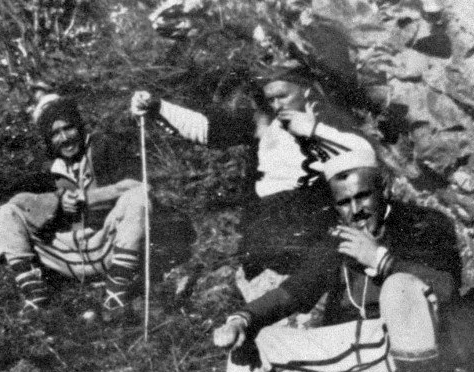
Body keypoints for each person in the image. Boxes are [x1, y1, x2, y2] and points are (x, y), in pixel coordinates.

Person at [168, 146, 462, 372]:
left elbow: (446, 290)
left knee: (400, 286)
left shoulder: (424, 224)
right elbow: (295, 291)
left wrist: (382, 261)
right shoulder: (337, 241)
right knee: (255, 339)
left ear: (384, 189)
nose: (356, 210)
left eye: (364, 195)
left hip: (407, 353)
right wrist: (242, 319)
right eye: (344, 202)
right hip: (358, 360)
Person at [132, 62, 375, 311]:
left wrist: (313, 130)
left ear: (306, 91)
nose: (277, 105)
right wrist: (157, 106)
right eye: (271, 99)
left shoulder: (330, 122)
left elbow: (364, 153)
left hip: (310, 224)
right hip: (265, 225)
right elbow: (205, 128)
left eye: (283, 96)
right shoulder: (266, 123)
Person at [0, 94, 150, 320]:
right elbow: (16, 202)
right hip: (64, 256)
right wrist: (56, 201)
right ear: (47, 138)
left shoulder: (103, 147)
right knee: (3, 214)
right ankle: (36, 296)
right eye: (55, 133)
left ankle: (116, 292)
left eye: (69, 128)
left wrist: (88, 198)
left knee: (138, 198)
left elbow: (136, 185)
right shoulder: (45, 166)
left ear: (80, 127)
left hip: (108, 245)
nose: (64, 138)